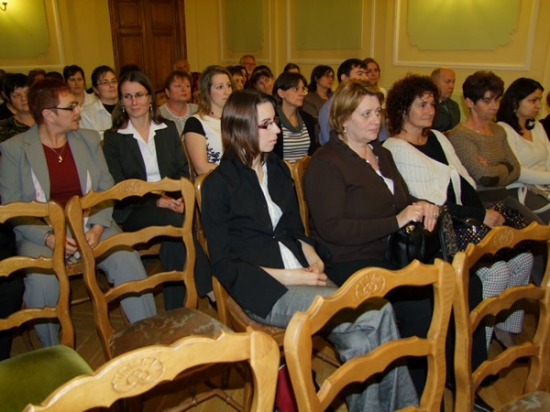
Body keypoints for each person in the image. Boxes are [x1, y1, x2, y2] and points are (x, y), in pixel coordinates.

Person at [201, 89, 418, 411]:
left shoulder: (276, 169)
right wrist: (291, 276)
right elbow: (222, 262)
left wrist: (312, 255)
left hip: (301, 272)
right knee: (375, 313)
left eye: (275, 122)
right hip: (261, 287)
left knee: (367, 328)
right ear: (240, 127)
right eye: (266, 124)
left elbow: (293, 230)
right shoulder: (218, 185)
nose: (277, 130)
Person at [304, 79, 438, 396]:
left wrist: (421, 204)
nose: (376, 120)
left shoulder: (380, 152)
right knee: (419, 305)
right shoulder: (326, 162)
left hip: (389, 251)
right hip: (348, 259)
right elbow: (331, 228)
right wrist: (396, 221)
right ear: (343, 119)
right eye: (366, 114)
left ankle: (427, 385)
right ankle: (410, 395)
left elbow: (398, 200)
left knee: (445, 286)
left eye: (378, 112)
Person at [0, 79, 156, 347]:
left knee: (127, 259)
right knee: (42, 281)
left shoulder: (88, 139)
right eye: (70, 107)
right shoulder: (15, 149)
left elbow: (106, 188)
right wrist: (50, 238)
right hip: (42, 231)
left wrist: (97, 227)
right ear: (49, 114)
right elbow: (12, 206)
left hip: (91, 222)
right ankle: (54, 351)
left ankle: (149, 337)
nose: (78, 111)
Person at [383, 74, 531, 356]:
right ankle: (474, 350)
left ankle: (502, 328)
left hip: (466, 220)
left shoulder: (438, 137)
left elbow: (463, 182)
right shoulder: (395, 149)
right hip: (439, 233)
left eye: (432, 104)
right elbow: (426, 205)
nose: (430, 110)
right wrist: (479, 216)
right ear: (403, 109)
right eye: (422, 105)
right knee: (497, 272)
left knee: (523, 257)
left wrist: (482, 214)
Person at [103, 70, 212, 311]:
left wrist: (179, 198)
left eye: (139, 95)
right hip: (134, 208)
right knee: (177, 224)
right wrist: (157, 201)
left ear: (150, 97)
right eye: (128, 96)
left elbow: (182, 171)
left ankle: (175, 311)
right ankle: (211, 288)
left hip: (171, 203)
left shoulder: (167, 129)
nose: (134, 102)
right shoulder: (114, 138)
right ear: (121, 101)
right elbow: (120, 185)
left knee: (174, 237)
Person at [447, 71, 544, 224]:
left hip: (504, 197)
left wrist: (494, 168)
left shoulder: (498, 130)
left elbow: (516, 170)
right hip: (480, 203)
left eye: (497, 99)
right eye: (487, 101)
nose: (494, 106)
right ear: (470, 102)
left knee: (538, 229)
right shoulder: (460, 135)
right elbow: (484, 177)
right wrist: (505, 166)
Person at [496, 78, 550, 223]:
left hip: (543, 186)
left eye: (539, 100)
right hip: (518, 188)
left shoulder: (537, 126)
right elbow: (518, 172)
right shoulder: (503, 129)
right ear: (515, 102)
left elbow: (548, 159)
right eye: (533, 100)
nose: (539, 105)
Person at [183, 65, 232, 175]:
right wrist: (236, 174)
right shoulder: (196, 123)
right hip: (215, 180)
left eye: (229, 85)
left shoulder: (238, 119)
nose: (227, 92)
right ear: (207, 91)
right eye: (220, 87)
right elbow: (201, 167)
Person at [318, 58, 367, 145]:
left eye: (366, 74)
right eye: (360, 74)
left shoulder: (367, 104)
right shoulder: (330, 109)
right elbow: (331, 144)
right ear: (344, 78)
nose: (365, 78)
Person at [272, 72, 316, 162]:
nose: (302, 93)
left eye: (303, 89)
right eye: (296, 89)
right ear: (281, 93)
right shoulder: (273, 120)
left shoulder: (307, 119)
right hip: (281, 170)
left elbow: (312, 154)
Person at [79, 66, 118, 139]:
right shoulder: (87, 115)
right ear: (95, 89)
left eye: (114, 81)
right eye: (105, 82)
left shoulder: (127, 108)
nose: (111, 85)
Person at [158, 70, 198, 136]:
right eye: (178, 86)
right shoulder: (159, 114)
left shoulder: (198, 110)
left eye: (187, 86)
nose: (184, 89)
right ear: (167, 91)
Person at [0, 73, 34, 142]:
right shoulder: (4, 128)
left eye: (27, 92)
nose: (24, 98)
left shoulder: (48, 119)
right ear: (10, 100)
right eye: (17, 95)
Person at [431, 67, 461, 132]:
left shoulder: (454, 105)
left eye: (453, 82)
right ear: (434, 83)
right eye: (448, 82)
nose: (452, 86)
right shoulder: (428, 106)